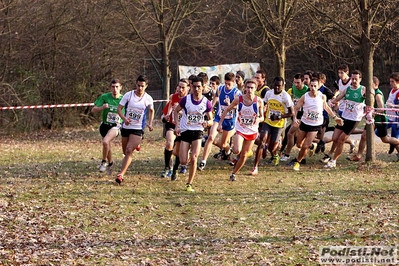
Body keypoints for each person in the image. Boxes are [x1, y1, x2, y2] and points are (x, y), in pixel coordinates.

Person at [291, 78, 343, 171]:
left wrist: (335, 118)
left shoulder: (322, 96)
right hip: (305, 122)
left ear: (318, 86)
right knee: (299, 144)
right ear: (309, 86)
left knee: (304, 146)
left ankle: (297, 162)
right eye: (311, 85)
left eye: (315, 86)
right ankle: (313, 146)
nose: (313, 88)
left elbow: (326, 107)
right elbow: (296, 107)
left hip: (316, 124)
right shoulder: (305, 96)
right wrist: (295, 118)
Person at [217, 78, 264, 181]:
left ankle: (234, 173)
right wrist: (220, 124)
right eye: (248, 87)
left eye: (252, 88)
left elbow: (262, 117)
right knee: (237, 150)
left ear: (255, 88)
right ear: (245, 88)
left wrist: (258, 119)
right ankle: (231, 150)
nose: (249, 90)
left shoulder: (259, 101)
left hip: (252, 131)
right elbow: (227, 109)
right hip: (240, 129)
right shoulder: (239, 99)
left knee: (244, 155)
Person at [174, 76, 213, 192]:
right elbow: (176, 111)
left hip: (198, 132)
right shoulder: (186, 100)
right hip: (186, 130)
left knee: (194, 158)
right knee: (183, 161)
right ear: (191, 87)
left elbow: (211, 120)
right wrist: (177, 125)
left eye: (199, 87)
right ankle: (183, 160)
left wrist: (207, 122)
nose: (196, 89)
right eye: (194, 87)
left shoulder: (207, 103)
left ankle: (189, 183)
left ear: (203, 87)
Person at [324, 70, 369, 169]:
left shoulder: (363, 89)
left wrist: (368, 109)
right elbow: (337, 98)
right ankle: (352, 142)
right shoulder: (347, 89)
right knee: (335, 138)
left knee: (341, 140)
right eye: (352, 79)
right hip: (344, 117)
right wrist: (330, 102)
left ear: (360, 79)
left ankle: (333, 160)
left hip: (354, 120)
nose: (353, 81)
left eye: (355, 79)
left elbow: (372, 94)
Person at [348, 76, 399, 161]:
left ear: (376, 84)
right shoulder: (370, 93)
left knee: (385, 139)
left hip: (379, 119)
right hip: (371, 119)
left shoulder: (377, 94)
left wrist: (372, 113)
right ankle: (358, 156)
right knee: (364, 136)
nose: (368, 86)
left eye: (370, 84)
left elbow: (381, 109)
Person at [115, 75, 154, 184]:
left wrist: (150, 124)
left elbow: (151, 110)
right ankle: (136, 144)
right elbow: (119, 109)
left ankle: (120, 175)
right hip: (126, 126)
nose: (140, 88)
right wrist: (124, 119)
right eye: (138, 85)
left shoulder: (148, 98)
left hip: (138, 128)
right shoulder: (129, 95)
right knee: (125, 151)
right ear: (135, 84)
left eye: (142, 86)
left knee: (128, 150)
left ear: (146, 86)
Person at [198, 72, 241, 170]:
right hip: (218, 117)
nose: (227, 86)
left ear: (233, 83)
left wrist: (230, 105)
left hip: (230, 120)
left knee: (223, 144)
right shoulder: (220, 89)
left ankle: (227, 150)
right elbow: (215, 98)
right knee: (210, 138)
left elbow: (240, 107)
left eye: (229, 84)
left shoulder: (236, 93)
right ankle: (203, 161)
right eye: (225, 83)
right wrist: (210, 108)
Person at [251, 76, 294, 175]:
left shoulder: (285, 96)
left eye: (279, 86)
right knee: (261, 141)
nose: (277, 88)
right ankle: (255, 167)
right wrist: (260, 111)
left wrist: (280, 116)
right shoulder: (268, 93)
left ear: (283, 86)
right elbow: (263, 104)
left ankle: (275, 154)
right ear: (272, 85)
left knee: (272, 147)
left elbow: (291, 113)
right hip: (268, 121)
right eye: (275, 86)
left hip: (279, 124)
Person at [91, 79, 124, 174]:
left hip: (116, 126)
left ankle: (103, 162)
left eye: (117, 87)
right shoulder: (105, 97)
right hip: (105, 124)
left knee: (105, 142)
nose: (115, 89)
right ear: (110, 87)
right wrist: (101, 108)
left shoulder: (124, 99)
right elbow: (93, 110)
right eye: (113, 87)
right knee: (107, 145)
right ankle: (111, 164)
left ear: (120, 87)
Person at [160, 78, 190, 178]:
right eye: (179, 87)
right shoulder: (173, 97)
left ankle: (175, 170)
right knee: (169, 143)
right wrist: (166, 117)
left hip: (184, 128)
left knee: (177, 151)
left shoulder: (190, 100)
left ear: (188, 88)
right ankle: (167, 167)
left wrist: (181, 112)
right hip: (172, 125)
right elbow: (165, 114)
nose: (180, 90)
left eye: (183, 88)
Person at [280, 73, 309, 162]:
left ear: (303, 81)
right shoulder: (293, 88)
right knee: (293, 136)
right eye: (294, 82)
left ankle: (286, 154)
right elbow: (288, 95)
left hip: (303, 115)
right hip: (295, 114)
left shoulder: (307, 90)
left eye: (298, 83)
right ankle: (312, 145)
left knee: (290, 133)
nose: (296, 85)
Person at [385, 72, 399, 154]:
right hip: (389, 117)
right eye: (390, 81)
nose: (390, 83)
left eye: (392, 81)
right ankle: (391, 143)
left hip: (396, 120)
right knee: (379, 132)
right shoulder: (392, 90)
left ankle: (392, 145)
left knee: (395, 138)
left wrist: (393, 106)